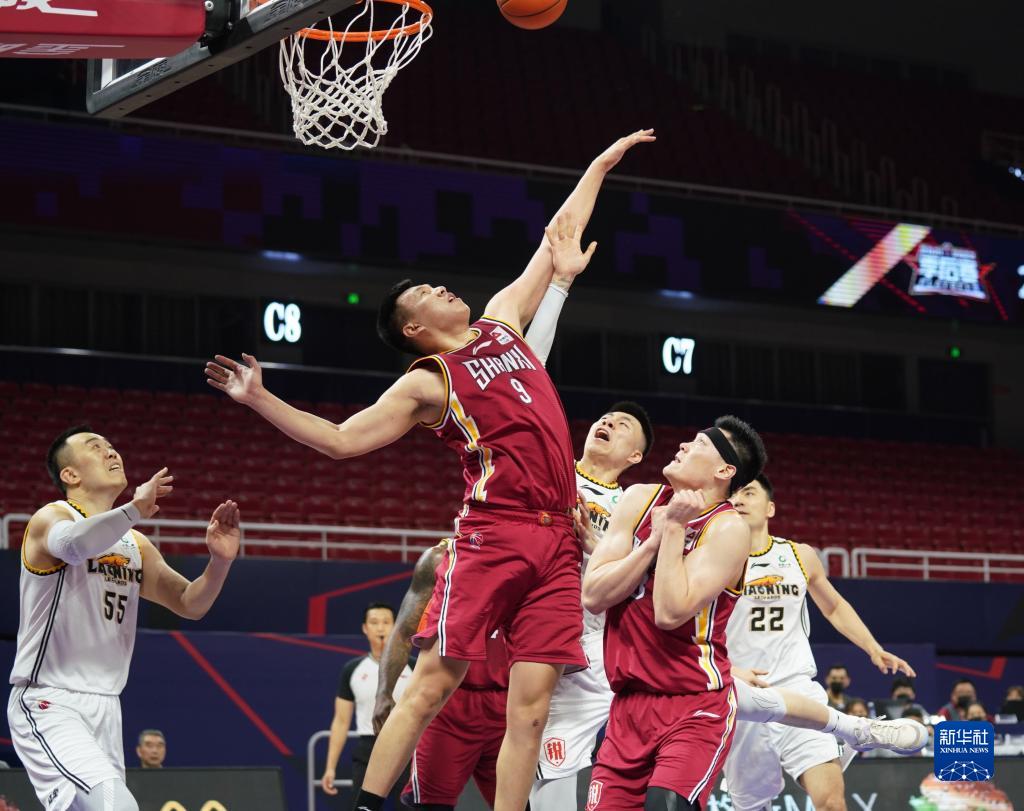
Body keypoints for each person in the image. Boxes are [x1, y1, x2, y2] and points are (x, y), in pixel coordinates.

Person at [207, 130, 654, 811]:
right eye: (429, 292)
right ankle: (365, 805)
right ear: (413, 326)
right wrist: (260, 396)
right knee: (431, 685)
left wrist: (597, 166)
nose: (446, 287)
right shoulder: (429, 380)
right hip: (495, 533)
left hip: (559, 542)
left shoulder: (502, 322)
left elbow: (555, 236)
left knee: (528, 710)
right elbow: (339, 439)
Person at [7, 426, 239, 811]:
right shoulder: (50, 518)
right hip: (49, 699)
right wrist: (134, 509)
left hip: (106, 707)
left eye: (112, 446)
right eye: (96, 448)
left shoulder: (135, 544)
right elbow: (76, 545)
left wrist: (219, 562)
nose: (111, 452)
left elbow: (189, 602)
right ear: (70, 475)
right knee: (117, 806)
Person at [581, 416, 767, 810]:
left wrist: (676, 529)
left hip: (694, 704)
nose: (682, 446)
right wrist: (651, 543)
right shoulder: (640, 499)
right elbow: (594, 595)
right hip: (628, 706)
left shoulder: (728, 528)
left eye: (698, 443)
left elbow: (670, 612)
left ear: (724, 470)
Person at [722, 474, 925, 811]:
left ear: (770, 507)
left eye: (749, 493)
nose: (739, 500)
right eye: (733, 495)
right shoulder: (714, 560)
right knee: (751, 806)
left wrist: (872, 647)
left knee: (831, 801)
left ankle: (855, 731)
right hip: (743, 698)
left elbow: (833, 606)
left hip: (797, 687)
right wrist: (727, 670)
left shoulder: (800, 555)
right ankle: (858, 732)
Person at [374, 541, 509, 810]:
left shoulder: (527, 557)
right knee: (431, 805)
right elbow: (402, 632)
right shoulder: (439, 558)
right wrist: (384, 692)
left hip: (506, 704)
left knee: (522, 803)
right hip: (448, 701)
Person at [321, 604, 412, 805]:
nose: (380, 628)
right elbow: (341, 721)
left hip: (407, 748)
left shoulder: (414, 666)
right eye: (374, 623)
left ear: (396, 626)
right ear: (365, 628)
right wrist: (330, 767)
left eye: (386, 623)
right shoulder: (352, 669)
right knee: (363, 806)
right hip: (368, 748)